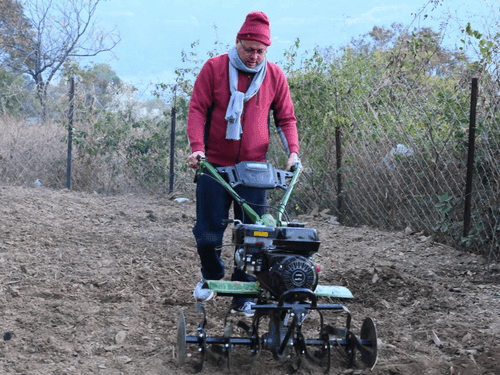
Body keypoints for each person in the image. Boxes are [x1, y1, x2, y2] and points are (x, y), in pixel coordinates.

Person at [186, 11, 300, 317]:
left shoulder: (274, 76)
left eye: (261, 51)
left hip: (254, 169)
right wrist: (197, 149)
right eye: (249, 49)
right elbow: (197, 110)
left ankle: (244, 296)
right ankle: (212, 274)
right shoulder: (214, 69)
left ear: (267, 50)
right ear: (238, 42)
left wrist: (293, 152)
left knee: (254, 236)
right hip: (215, 167)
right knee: (207, 233)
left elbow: (285, 118)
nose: (254, 56)